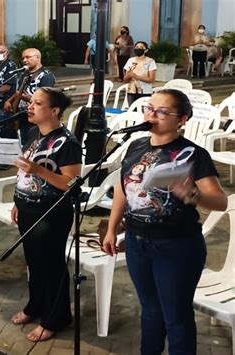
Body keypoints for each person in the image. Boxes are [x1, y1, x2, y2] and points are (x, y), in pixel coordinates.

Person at [102, 89, 227, 354]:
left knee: (176, 317)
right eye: (149, 108)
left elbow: (220, 201)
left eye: (162, 112)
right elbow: (123, 190)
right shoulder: (136, 147)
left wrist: (191, 194)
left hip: (176, 247)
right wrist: (112, 229)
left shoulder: (193, 154)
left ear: (182, 119)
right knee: (149, 310)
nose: (152, 115)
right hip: (137, 243)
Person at [10, 87, 82, 342]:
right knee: (34, 263)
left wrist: (38, 170)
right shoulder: (32, 133)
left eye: (37, 103)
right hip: (29, 207)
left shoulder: (67, 142)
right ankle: (36, 305)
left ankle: (56, 317)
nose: (30, 106)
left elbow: (71, 183)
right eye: (31, 102)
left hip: (51, 213)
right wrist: (19, 200)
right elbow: (24, 172)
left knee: (51, 265)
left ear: (54, 111)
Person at [4, 48, 56, 145]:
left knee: (34, 145)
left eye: (28, 57)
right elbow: (19, 92)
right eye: (23, 58)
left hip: (37, 118)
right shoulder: (25, 74)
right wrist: (9, 100)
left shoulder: (46, 76)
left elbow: (46, 100)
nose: (24, 60)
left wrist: (28, 98)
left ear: (38, 58)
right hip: (23, 116)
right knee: (24, 144)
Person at [123, 41, 157, 106]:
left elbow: (151, 79)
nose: (138, 48)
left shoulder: (150, 61)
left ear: (146, 50)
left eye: (141, 47)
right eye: (137, 47)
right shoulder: (131, 60)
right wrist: (128, 75)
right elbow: (125, 80)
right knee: (133, 111)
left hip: (145, 91)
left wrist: (136, 76)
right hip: (131, 91)